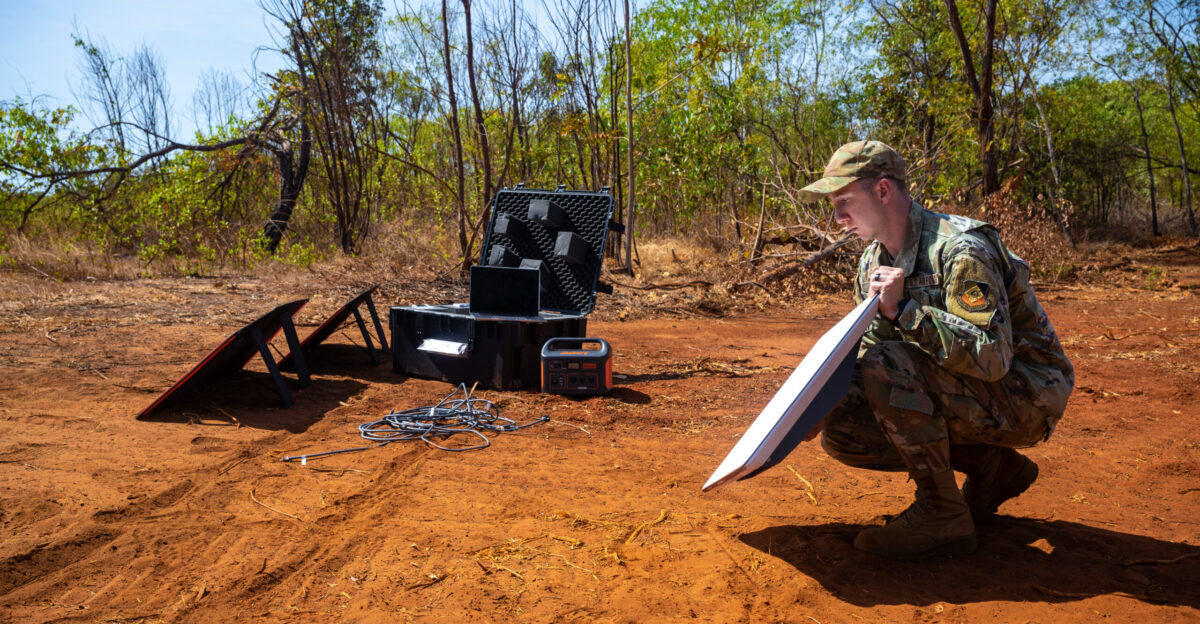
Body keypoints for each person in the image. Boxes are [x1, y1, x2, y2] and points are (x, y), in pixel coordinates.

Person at [798, 140, 1074, 559]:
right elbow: (869, 345)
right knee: (843, 426)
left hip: (1027, 393)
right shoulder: (871, 262)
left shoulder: (960, 248)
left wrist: (907, 311)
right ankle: (994, 467)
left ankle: (942, 512)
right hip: (968, 389)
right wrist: (819, 402)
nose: (837, 219)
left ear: (883, 191)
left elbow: (992, 357)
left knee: (887, 366)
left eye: (844, 201)